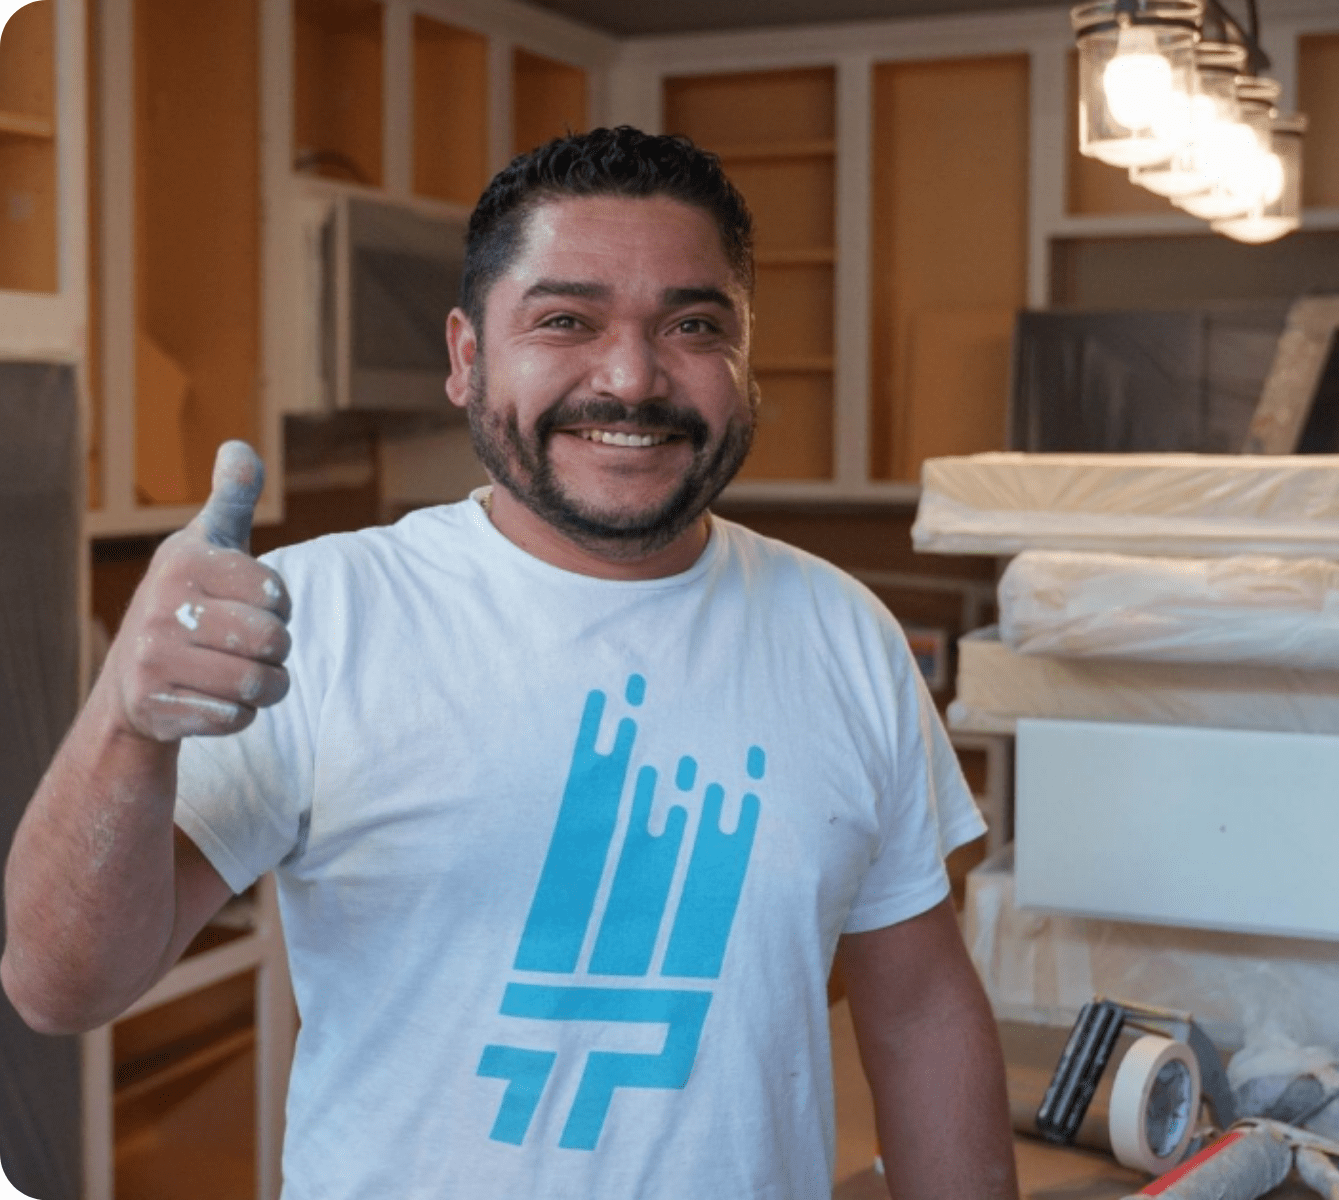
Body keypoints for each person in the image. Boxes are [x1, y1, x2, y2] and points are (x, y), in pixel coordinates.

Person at [3, 126, 1018, 1200]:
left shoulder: (844, 635)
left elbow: (918, 1016)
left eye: (692, 325)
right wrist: (126, 723)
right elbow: (59, 987)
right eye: (566, 319)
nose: (632, 378)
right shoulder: (317, 617)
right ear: (466, 357)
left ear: (744, 358)